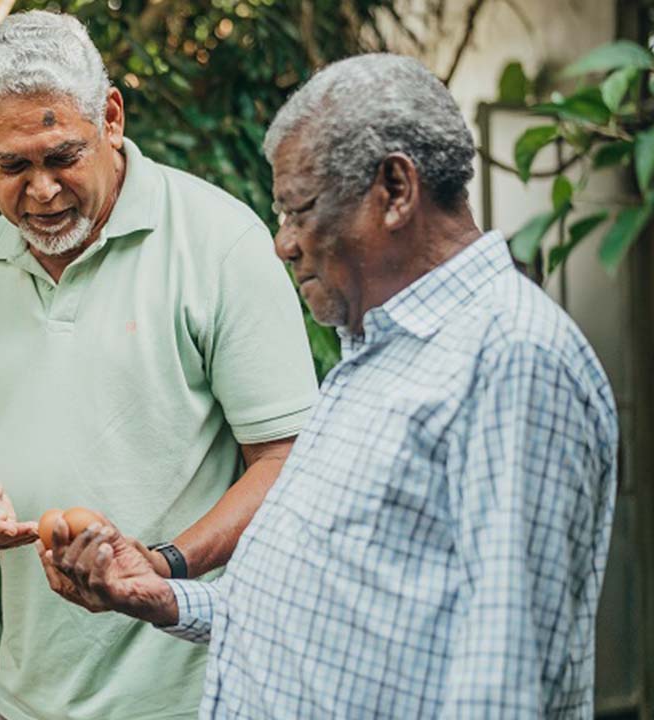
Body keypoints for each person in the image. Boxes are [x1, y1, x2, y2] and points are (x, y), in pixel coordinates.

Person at [45, 53, 619, 718]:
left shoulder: (510, 359)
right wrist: (159, 595)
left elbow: (503, 684)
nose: (283, 243)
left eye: (300, 210)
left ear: (395, 191)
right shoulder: (379, 353)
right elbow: (319, 614)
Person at [0, 10, 319, 720]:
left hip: (194, 701)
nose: (42, 191)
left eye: (63, 156)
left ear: (112, 117)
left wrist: (164, 566)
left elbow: (289, 462)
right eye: (13, 165)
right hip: (28, 701)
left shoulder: (220, 244)